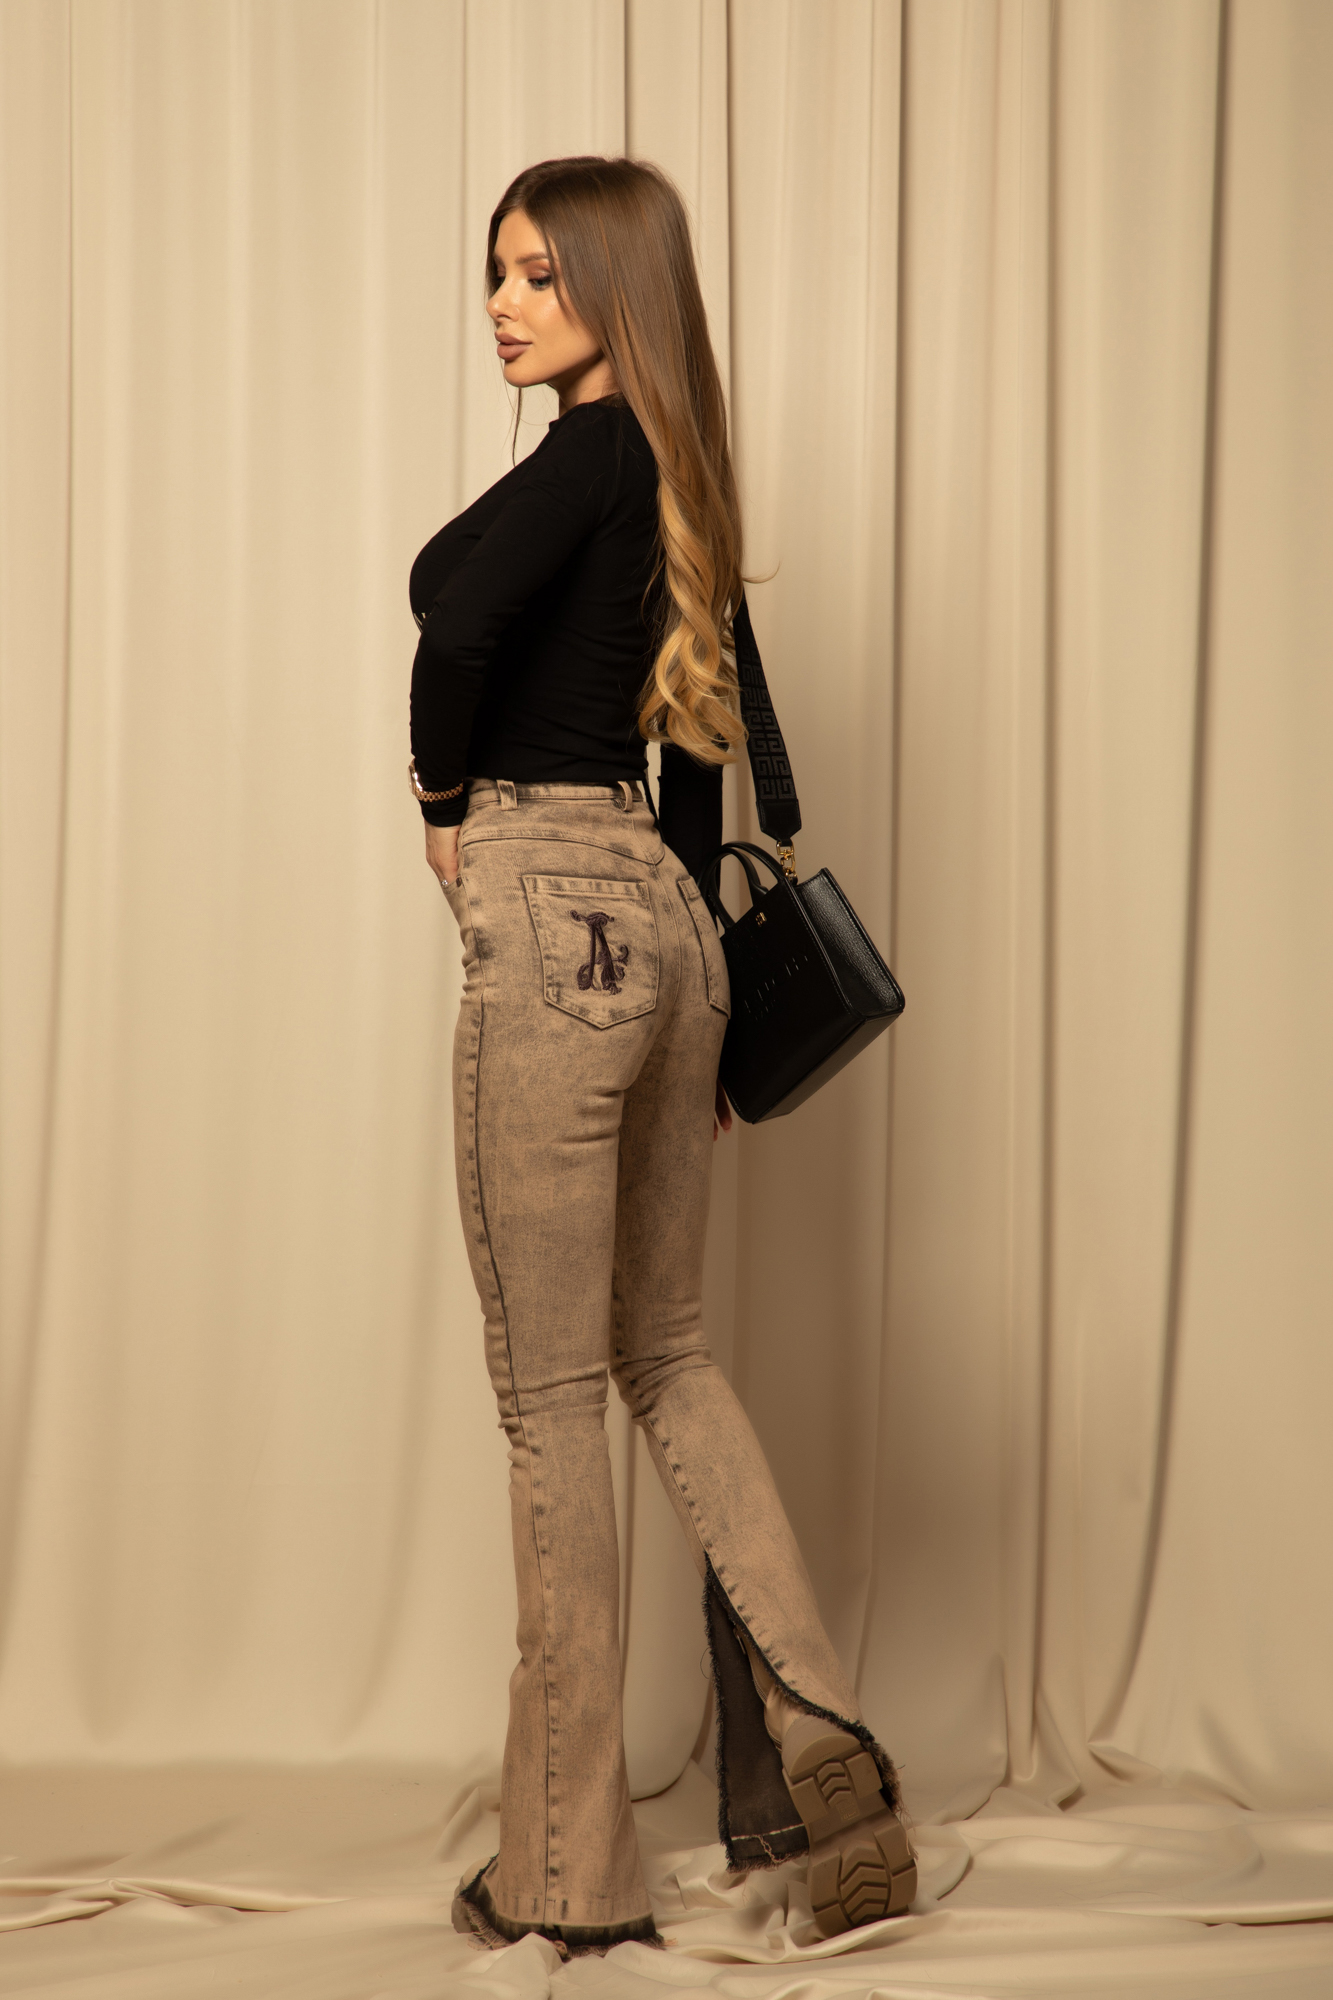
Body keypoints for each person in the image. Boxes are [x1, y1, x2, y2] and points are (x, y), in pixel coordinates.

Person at [408, 155, 915, 1957]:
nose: (501, 304)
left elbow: (455, 624)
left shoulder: (589, 456)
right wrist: (694, 1010)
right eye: (495, 271)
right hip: (667, 922)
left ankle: (568, 1877)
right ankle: (821, 1732)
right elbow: (702, 751)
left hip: (551, 892)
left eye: (538, 275)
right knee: (669, 1360)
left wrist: (441, 804)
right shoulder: (675, 475)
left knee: (552, 1402)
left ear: (616, 288)